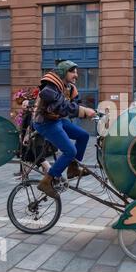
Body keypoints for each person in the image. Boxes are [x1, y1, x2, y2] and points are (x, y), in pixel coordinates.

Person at [33, 60, 96, 199]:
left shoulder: (69, 88)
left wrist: (89, 112)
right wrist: (83, 110)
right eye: (72, 72)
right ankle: (47, 181)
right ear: (63, 72)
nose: (76, 75)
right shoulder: (50, 87)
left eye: (76, 72)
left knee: (83, 136)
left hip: (57, 120)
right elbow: (61, 106)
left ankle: (72, 168)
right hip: (45, 123)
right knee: (70, 150)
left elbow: (75, 105)